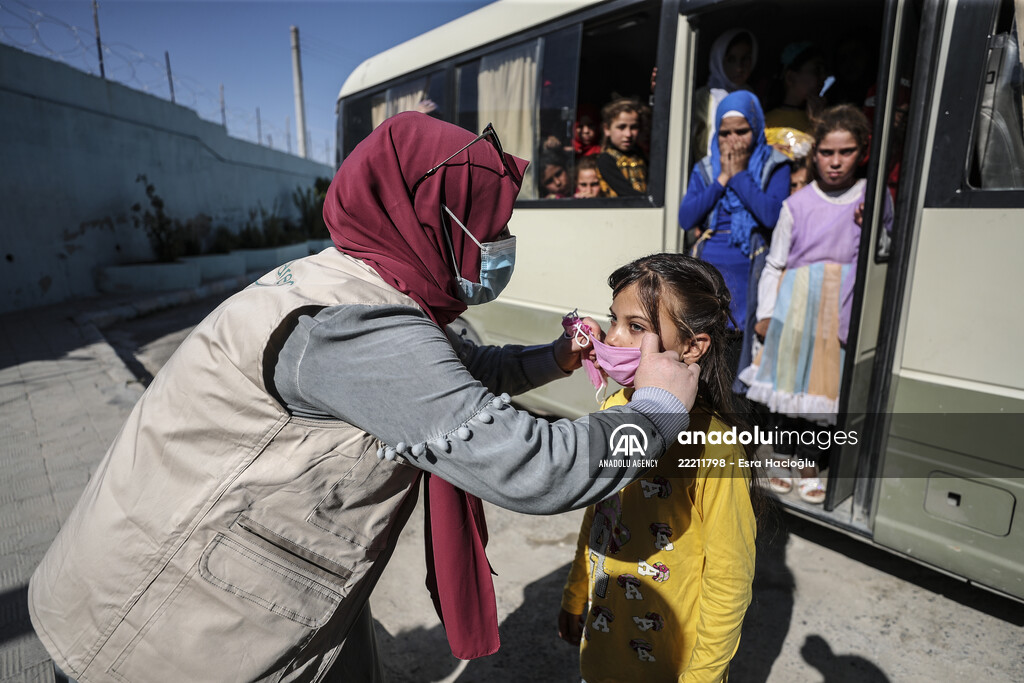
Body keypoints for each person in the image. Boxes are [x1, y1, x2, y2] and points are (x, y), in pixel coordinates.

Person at [28, 113, 701, 682]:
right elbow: (529, 463)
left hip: (207, 586)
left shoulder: (359, 284)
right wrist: (656, 412)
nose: (498, 246)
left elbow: (461, 371)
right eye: (485, 225)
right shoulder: (355, 328)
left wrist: (553, 357)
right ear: (432, 219)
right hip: (154, 628)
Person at [557, 254, 757, 682]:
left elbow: (729, 579)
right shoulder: (613, 412)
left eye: (637, 327)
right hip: (603, 649)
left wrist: (703, 676)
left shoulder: (715, 446)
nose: (612, 338)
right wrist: (576, 594)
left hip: (674, 666)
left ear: (693, 346)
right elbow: (597, 514)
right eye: (614, 320)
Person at [743, 104, 890, 503]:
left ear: (863, 152)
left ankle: (810, 464)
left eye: (846, 152)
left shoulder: (874, 200)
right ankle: (780, 458)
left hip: (840, 309)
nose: (836, 162)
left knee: (824, 394)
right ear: (815, 155)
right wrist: (767, 313)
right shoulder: (797, 204)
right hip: (795, 306)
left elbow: (886, 252)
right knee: (788, 389)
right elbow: (776, 262)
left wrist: (873, 227)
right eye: (827, 153)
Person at [679, 90, 791, 391]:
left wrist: (739, 175)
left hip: (752, 265)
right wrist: (721, 181)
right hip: (711, 263)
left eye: (742, 131)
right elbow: (686, 217)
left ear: (756, 129)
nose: (733, 140)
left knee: (741, 344)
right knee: (708, 338)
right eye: (725, 133)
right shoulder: (706, 167)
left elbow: (771, 216)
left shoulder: (775, 164)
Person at [691, 28, 759, 159]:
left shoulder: (750, 96)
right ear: (718, 59)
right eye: (731, 60)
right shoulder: (704, 97)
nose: (739, 68)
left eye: (745, 59)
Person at [764, 42, 828, 134]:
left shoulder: (822, 118)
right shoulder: (766, 123)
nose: (824, 77)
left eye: (824, 71)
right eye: (816, 71)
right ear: (790, 77)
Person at [597, 97, 648, 197]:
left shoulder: (641, 156)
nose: (628, 134)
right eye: (621, 127)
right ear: (607, 129)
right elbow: (625, 192)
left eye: (634, 127)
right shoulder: (606, 160)